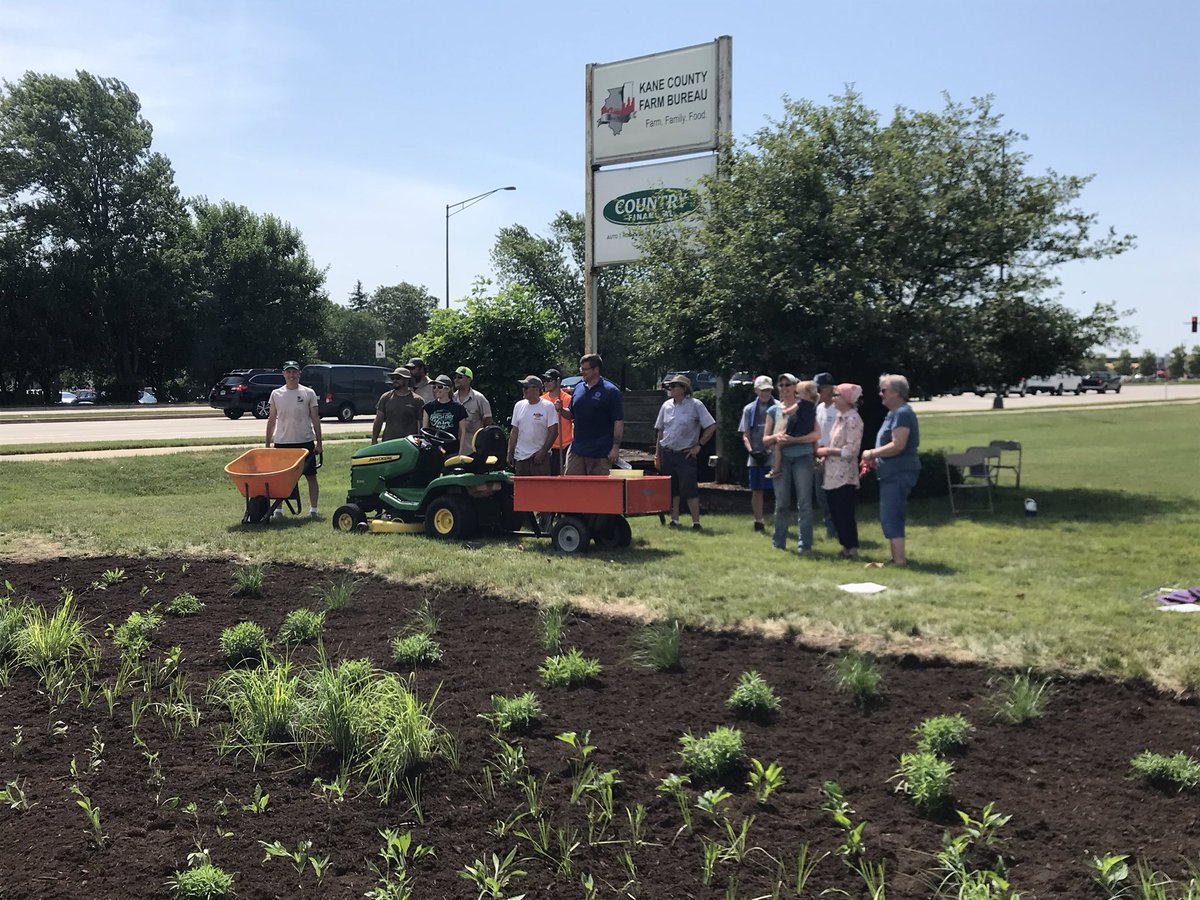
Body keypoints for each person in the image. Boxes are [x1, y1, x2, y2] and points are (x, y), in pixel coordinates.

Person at [861, 373, 921, 566]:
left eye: (884, 390)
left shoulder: (903, 413)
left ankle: (900, 561)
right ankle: (896, 557)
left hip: (899, 472)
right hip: (890, 473)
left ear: (897, 392)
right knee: (890, 513)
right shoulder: (893, 414)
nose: (881, 394)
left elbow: (898, 445)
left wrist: (872, 453)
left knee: (892, 514)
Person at [763, 373, 821, 553]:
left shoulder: (807, 407)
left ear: (795, 387)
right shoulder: (774, 410)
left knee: (804, 503)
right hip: (781, 458)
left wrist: (796, 440)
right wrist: (776, 436)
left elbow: (816, 435)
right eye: (781, 385)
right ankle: (778, 543)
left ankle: (805, 545)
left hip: (803, 456)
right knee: (781, 503)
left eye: (788, 384)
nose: (784, 388)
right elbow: (765, 439)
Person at [654, 374, 717, 530]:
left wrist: (699, 445)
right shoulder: (666, 406)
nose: (671, 389)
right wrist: (657, 453)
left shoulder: (696, 405)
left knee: (689, 488)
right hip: (667, 452)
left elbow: (711, 426)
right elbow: (660, 431)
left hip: (685, 453)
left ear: (683, 389)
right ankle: (674, 519)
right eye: (670, 386)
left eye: (675, 386)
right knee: (671, 488)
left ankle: (696, 522)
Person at [265, 360, 323, 518]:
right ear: (284, 374)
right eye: (288, 372)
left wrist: (319, 442)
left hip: (304, 441)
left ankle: (314, 510)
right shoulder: (276, 394)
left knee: (311, 476)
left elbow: (315, 418)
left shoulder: (308, 393)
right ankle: (278, 509)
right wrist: (268, 443)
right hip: (283, 442)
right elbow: (271, 419)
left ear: (299, 373)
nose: (291, 375)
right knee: (280, 477)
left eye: (294, 372)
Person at [815, 383, 864, 558]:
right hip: (832, 473)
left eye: (837, 396)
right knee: (835, 511)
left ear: (847, 400)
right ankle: (845, 547)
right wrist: (824, 456)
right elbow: (834, 442)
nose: (833, 398)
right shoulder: (839, 417)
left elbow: (850, 450)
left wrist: (827, 451)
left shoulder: (853, 419)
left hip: (845, 475)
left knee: (844, 512)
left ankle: (852, 548)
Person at [559, 353, 623, 475]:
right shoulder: (578, 388)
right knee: (572, 486)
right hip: (577, 449)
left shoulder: (611, 391)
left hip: (600, 453)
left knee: (598, 491)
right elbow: (571, 414)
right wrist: (561, 410)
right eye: (581, 369)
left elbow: (618, 421)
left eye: (585, 369)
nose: (582, 372)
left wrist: (615, 448)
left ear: (596, 369)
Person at [738, 375, 780, 532]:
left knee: (778, 488)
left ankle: (779, 520)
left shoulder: (778, 407)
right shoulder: (749, 409)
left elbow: (781, 432)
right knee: (756, 489)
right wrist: (752, 451)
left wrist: (770, 450)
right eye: (762, 390)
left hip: (774, 455)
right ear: (756, 391)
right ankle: (758, 520)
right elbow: (745, 434)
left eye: (768, 390)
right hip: (755, 455)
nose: (765, 393)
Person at [766, 379, 819, 479]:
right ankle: (816, 460)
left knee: (778, 447)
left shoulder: (801, 403)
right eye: (781, 385)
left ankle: (776, 469)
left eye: (798, 393)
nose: (797, 396)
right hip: (806, 430)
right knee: (814, 443)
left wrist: (785, 412)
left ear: (806, 394)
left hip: (796, 430)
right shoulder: (814, 405)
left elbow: (790, 411)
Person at [507, 375, 559, 475]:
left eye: (526, 387)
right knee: (522, 489)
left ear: (536, 389)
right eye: (523, 387)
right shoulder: (519, 405)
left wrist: (543, 452)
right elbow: (514, 431)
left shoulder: (548, 406)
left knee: (540, 489)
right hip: (521, 458)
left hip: (539, 457)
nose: (524, 390)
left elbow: (554, 432)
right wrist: (510, 452)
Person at [813, 372, 838, 539]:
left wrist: (825, 456)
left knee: (833, 496)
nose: (817, 392)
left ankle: (836, 529)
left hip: (833, 457)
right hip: (818, 454)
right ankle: (830, 527)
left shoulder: (838, 409)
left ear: (829, 389)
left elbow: (838, 436)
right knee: (820, 495)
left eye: (820, 388)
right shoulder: (819, 408)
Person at [371, 367, 424, 444]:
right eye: (393, 378)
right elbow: (378, 420)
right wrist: (374, 439)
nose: (395, 380)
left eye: (398, 378)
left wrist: (420, 441)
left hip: (410, 443)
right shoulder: (385, 397)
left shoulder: (417, 400)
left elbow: (422, 424)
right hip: (388, 442)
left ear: (407, 380)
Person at [421, 374, 469, 456]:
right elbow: (425, 431)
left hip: (452, 450)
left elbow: (462, 432)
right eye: (434, 387)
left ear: (448, 389)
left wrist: (460, 453)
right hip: (433, 450)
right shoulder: (428, 407)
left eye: (440, 387)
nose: (436, 389)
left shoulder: (458, 408)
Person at [540, 368, 573, 475]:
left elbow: (573, 418)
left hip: (565, 445)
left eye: (549, 380)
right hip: (547, 446)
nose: (546, 383)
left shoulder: (568, 399)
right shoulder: (542, 400)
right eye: (544, 380)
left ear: (558, 381)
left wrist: (562, 409)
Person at [452, 365, 493, 449]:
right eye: (455, 377)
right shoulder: (451, 398)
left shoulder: (479, 398)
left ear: (469, 379)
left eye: (460, 377)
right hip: (453, 447)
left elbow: (488, 421)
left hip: (473, 448)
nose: (456, 380)